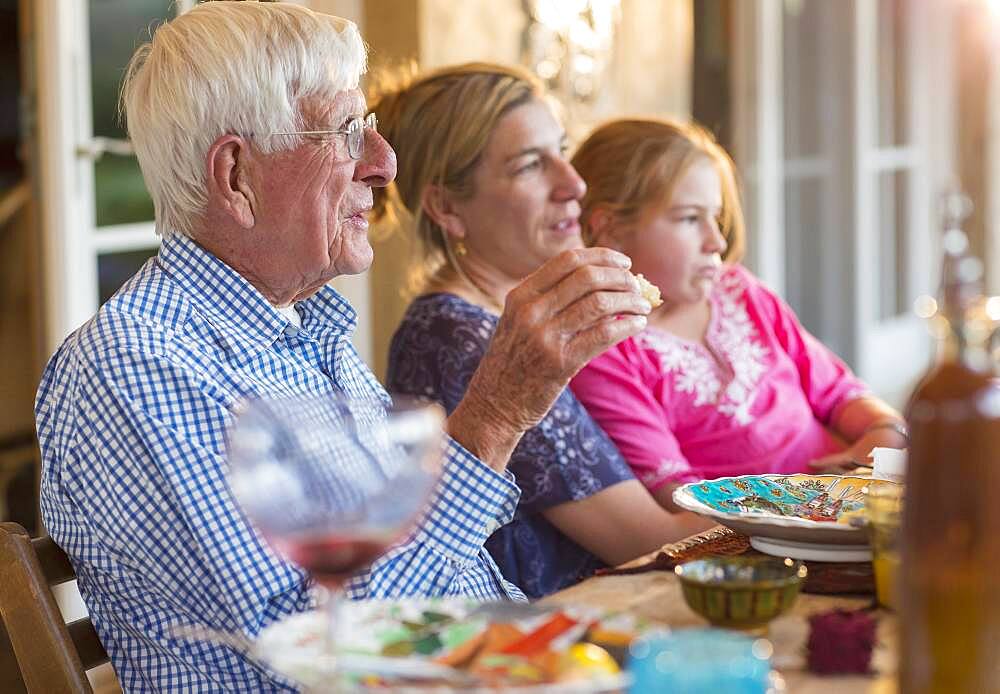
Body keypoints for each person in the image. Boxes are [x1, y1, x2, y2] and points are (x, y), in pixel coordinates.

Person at [33, 5, 654, 691]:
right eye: (347, 132)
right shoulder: (137, 363)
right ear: (236, 175)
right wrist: (494, 415)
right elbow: (332, 654)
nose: (385, 165)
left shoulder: (306, 336)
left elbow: (429, 582)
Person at [371, 64, 713, 599]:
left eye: (563, 148)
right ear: (447, 207)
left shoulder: (517, 317)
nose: (573, 183)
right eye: (531, 165)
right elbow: (653, 543)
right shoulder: (468, 343)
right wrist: (804, 500)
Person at [569, 118, 908, 510]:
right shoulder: (606, 350)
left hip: (857, 494)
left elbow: (839, 393)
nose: (717, 240)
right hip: (775, 533)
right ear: (608, 229)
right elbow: (679, 496)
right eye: (689, 218)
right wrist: (820, 501)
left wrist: (885, 435)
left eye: (715, 217)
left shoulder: (740, 292)